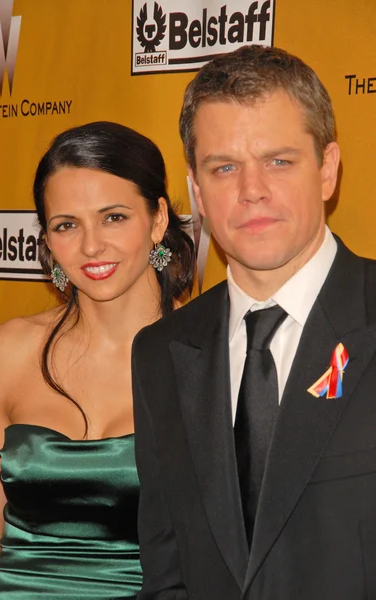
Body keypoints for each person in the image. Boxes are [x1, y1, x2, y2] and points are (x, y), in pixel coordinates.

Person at [132, 45, 376, 600]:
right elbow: (166, 572)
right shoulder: (160, 353)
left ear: (328, 170)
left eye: (279, 161)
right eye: (224, 168)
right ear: (196, 189)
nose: (251, 191)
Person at [0, 121, 195, 600]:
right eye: (66, 225)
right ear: (48, 240)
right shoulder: (7, 351)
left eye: (113, 216)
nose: (91, 246)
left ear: (158, 219)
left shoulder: (210, 357)